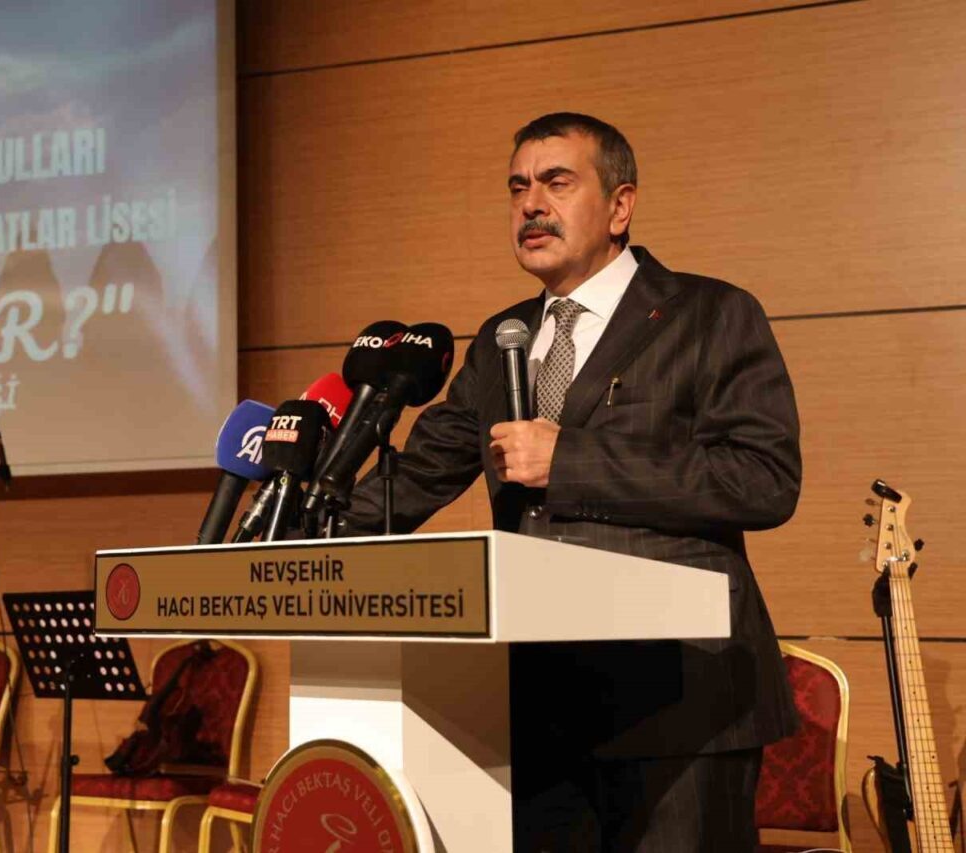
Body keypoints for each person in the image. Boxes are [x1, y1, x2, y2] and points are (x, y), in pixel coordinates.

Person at [339, 112, 801, 851]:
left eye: (557, 182)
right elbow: (415, 478)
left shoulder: (711, 314)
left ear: (620, 206)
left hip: (682, 704)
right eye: (517, 187)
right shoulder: (502, 339)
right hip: (539, 708)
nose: (531, 204)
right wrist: (293, 535)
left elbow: (763, 479)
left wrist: (571, 461)